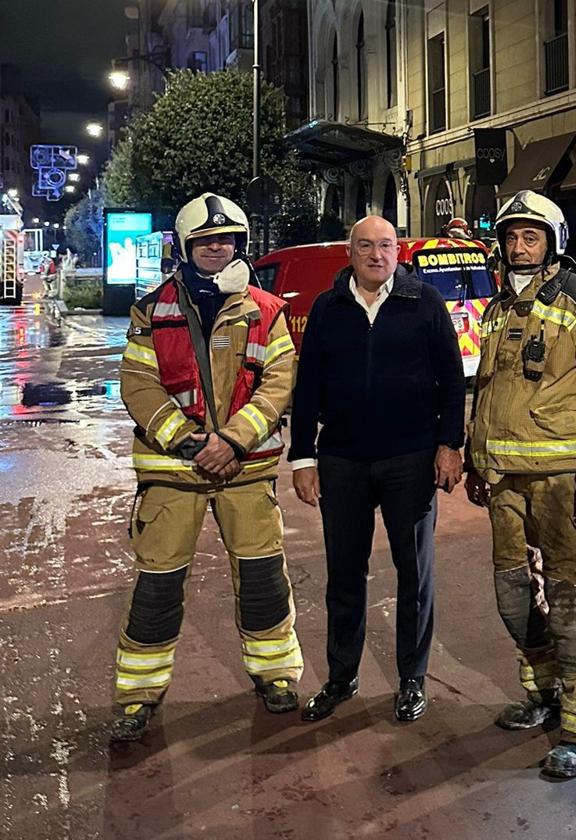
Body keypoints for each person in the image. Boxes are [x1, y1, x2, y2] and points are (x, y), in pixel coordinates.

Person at [111, 193, 301, 742]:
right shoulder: (153, 309)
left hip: (245, 470)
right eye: (207, 240)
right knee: (157, 586)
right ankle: (138, 697)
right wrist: (188, 442)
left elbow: (279, 382)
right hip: (173, 472)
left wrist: (234, 441)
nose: (219, 248)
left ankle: (277, 676)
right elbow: (138, 384)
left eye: (228, 240)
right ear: (186, 246)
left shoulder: (267, 311)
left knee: (264, 580)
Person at [464, 190, 576, 779]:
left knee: (575, 601)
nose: (518, 246)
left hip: (564, 484)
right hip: (504, 484)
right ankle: (543, 693)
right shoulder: (498, 307)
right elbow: (487, 389)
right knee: (515, 596)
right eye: (511, 236)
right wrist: (474, 458)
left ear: (553, 241)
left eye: (530, 236)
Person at [290, 215, 466, 724]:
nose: (376, 255)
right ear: (350, 253)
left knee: (415, 573)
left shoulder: (423, 303)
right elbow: (308, 390)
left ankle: (412, 678)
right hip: (342, 458)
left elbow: (452, 382)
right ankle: (341, 676)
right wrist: (304, 456)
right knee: (344, 575)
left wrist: (448, 445)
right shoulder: (328, 308)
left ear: (396, 251)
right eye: (365, 246)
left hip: (409, 458)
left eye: (385, 245)